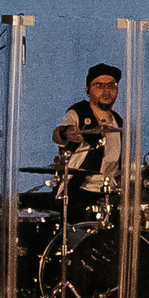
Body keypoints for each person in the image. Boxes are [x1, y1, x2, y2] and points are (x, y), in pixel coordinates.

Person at [51, 64, 125, 213]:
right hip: (79, 194)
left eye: (111, 85)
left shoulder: (118, 120)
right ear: (88, 90)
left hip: (108, 193)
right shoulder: (77, 113)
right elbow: (59, 134)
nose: (106, 91)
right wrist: (68, 132)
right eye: (99, 86)